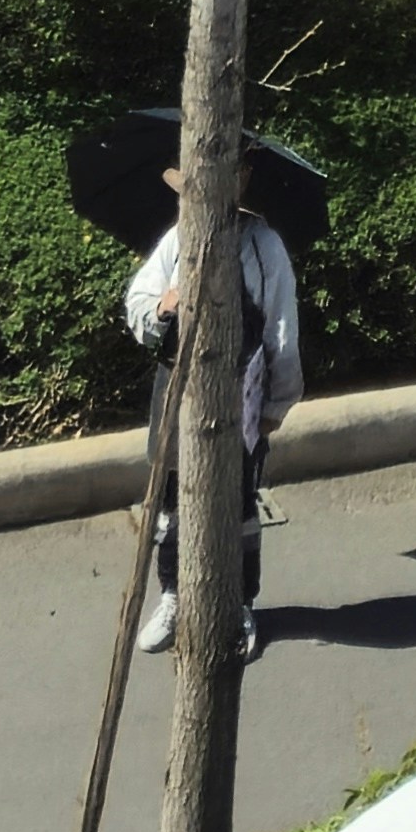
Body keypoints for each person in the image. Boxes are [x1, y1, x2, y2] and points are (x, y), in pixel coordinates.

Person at [124, 171, 304, 653]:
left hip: (238, 398)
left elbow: (282, 333)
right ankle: (173, 594)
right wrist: (163, 306)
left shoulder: (264, 247)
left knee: (238, 504)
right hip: (175, 394)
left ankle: (240, 603)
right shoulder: (177, 240)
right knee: (170, 504)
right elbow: (136, 304)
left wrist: (277, 405)